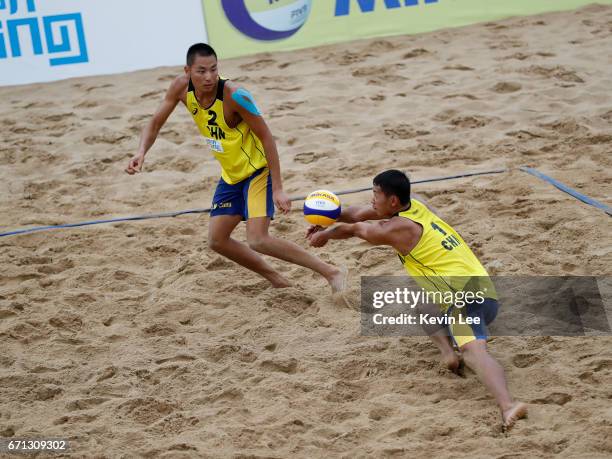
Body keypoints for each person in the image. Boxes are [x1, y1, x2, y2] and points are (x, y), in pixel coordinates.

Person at [307, 169, 527, 430]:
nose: (371, 199)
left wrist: (327, 234)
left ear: (392, 201)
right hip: (479, 288)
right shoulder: (414, 205)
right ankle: (448, 355)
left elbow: (356, 228)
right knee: (423, 303)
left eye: (375, 194)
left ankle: (508, 405)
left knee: (474, 352)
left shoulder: (399, 228)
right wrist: (327, 214)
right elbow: (355, 214)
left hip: (464, 296)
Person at [126, 43, 345, 292]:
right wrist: (141, 152)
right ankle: (278, 279)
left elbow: (267, 137)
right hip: (231, 175)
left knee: (258, 240)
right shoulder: (179, 87)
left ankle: (330, 272)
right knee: (217, 241)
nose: (209, 77)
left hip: (258, 172)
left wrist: (279, 189)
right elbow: (154, 123)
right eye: (201, 71)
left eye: (213, 69)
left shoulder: (236, 95)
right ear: (187, 71)